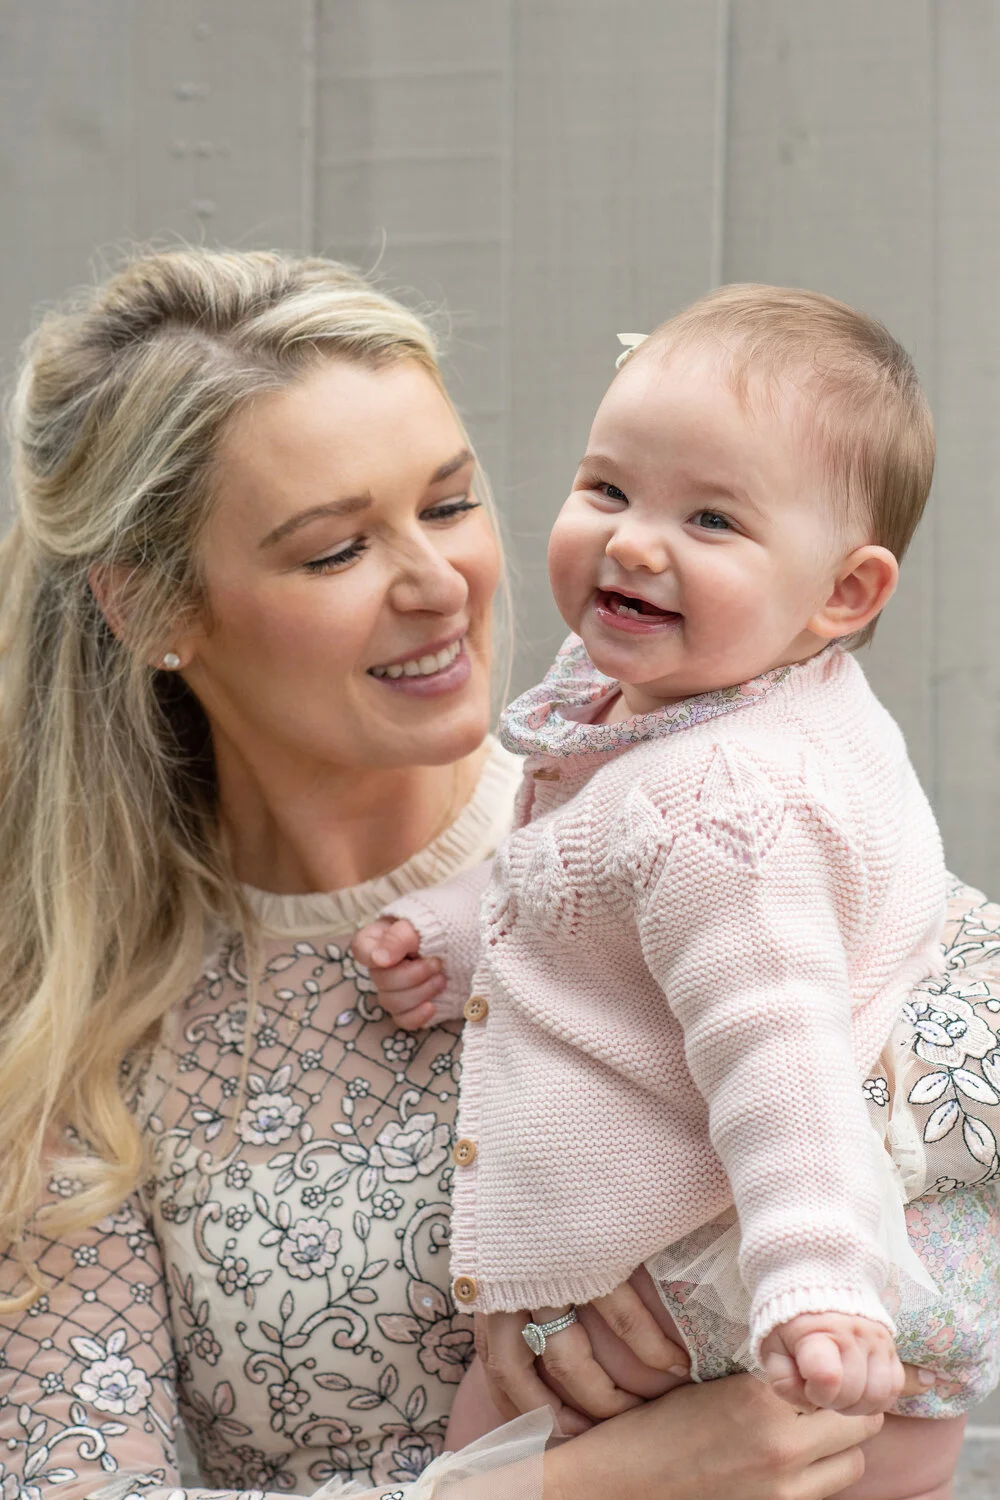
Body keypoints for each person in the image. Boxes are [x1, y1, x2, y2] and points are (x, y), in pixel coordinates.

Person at [0, 249, 909, 1500]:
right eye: (333, 552)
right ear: (155, 606)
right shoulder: (73, 1046)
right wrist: (579, 1487)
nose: (439, 587)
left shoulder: (713, 820)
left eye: (448, 504)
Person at [357, 287, 1000, 1500]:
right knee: (885, 1453)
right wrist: (452, 939)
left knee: (490, 1429)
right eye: (607, 489)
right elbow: (587, 874)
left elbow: (778, 1050)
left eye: (711, 518)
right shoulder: (705, 701)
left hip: (704, 1267)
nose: (634, 543)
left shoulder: (724, 804)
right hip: (779, 1275)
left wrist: (811, 1274)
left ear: (844, 595)